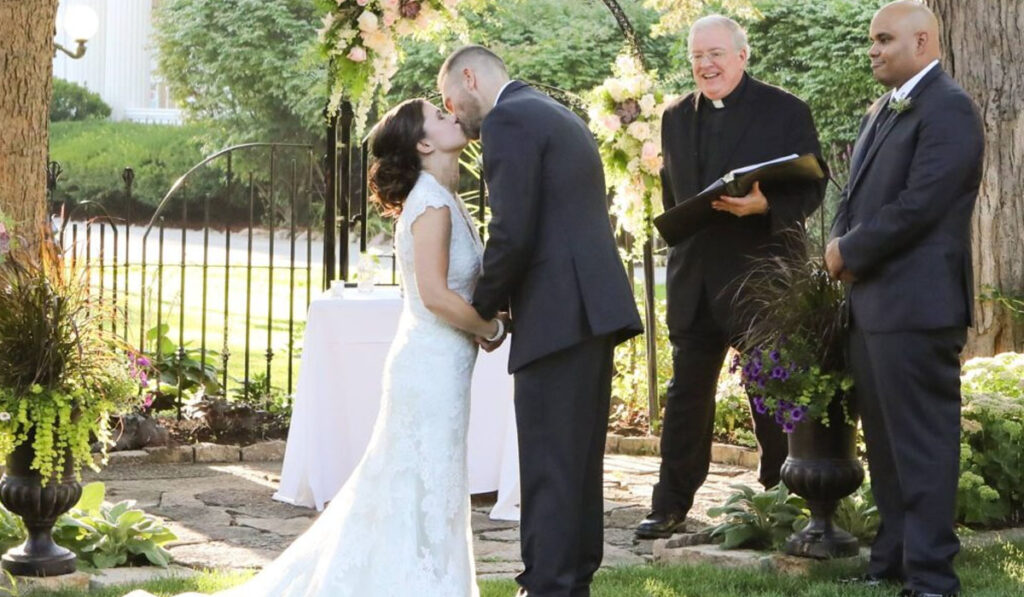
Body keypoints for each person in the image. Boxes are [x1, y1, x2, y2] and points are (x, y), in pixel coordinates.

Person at [128, 99, 504, 597]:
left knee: (418, 484)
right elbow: (435, 296)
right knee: (418, 483)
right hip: (430, 366)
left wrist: (482, 320)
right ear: (424, 143)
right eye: (438, 114)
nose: (451, 114)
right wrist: (491, 328)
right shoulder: (432, 203)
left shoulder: (443, 196)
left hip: (441, 362)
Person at [438, 46, 643, 597]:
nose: (454, 115)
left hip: (560, 314)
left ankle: (549, 584)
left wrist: (482, 311)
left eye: (451, 101)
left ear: (470, 78)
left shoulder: (509, 118)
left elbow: (513, 230)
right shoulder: (550, 111)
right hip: (586, 310)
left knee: (551, 462)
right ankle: (572, 577)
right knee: (575, 459)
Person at [635, 14, 825, 540]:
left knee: (770, 391)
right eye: (697, 56)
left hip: (760, 277)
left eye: (715, 53)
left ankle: (783, 497)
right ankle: (670, 503)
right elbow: (677, 195)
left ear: (743, 56)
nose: (705, 64)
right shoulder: (674, 116)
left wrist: (766, 206)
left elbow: (813, 186)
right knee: (686, 397)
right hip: (695, 281)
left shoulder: (786, 110)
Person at [827, 2, 983, 596]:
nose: (873, 49)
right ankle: (890, 560)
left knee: (921, 446)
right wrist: (840, 241)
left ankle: (932, 576)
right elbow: (858, 197)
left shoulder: (949, 109)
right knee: (887, 449)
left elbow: (923, 205)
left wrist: (850, 250)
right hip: (874, 308)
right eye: (872, 40)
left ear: (923, 41)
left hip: (918, 309)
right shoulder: (882, 110)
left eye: (884, 40)